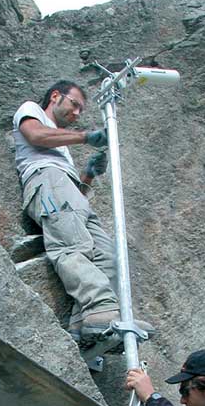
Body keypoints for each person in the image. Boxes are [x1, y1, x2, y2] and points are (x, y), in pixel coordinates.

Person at [13, 80, 151, 341]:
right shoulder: (32, 111)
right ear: (55, 96)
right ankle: (99, 306)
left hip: (68, 191)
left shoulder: (61, 144)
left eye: (80, 110)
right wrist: (86, 137)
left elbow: (73, 199)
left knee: (108, 256)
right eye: (75, 105)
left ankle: (85, 322)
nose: (77, 114)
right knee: (71, 245)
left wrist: (88, 173)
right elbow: (35, 136)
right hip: (46, 178)